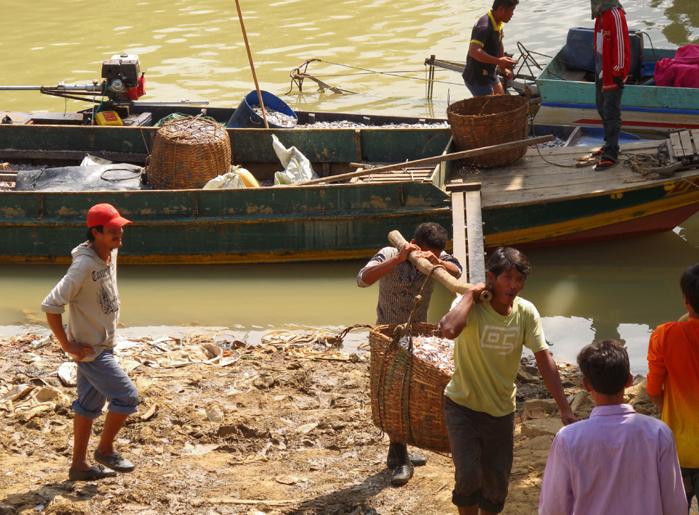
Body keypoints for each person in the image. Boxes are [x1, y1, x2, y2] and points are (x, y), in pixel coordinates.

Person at [439, 247, 575, 514]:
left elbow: (544, 359)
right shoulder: (469, 306)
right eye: (507, 278)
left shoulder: (525, 312)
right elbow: (448, 330)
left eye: (520, 279)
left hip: (501, 410)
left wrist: (564, 407)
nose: (514, 286)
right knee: (468, 476)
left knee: (496, 483)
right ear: (491, 277)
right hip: (461, 406)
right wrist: (468, 295)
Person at [358, 222, 462, 487]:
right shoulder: (389, 253)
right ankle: (399, 457)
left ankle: (399, 451)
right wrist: (401, 259)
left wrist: (435, 261)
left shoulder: (438, 256)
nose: (433, 257)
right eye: (427, 251)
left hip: (418, 336)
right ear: (414, 243)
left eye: (438, 253)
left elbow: (457, 272)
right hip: (389, 336)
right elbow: (363, 279)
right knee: (394, 394)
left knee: (410, 394)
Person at [42, 203, 138, 481]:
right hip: (91, 350)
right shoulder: (83, 265)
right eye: (112, 230)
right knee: (126, 396)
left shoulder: (111, 252)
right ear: (95, 232)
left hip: (104, 343)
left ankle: (78, 467)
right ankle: (105, 450)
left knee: (88, 406)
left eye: (120, 228)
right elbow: (50, 305)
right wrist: (68, 346)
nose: (119, 234)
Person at [539, 340, 687, 514]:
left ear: (586, 385)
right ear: (629, 380)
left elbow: (553, 507)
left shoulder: (568, 439)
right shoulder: (659, 433)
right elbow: (674, 504)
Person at [647, 263, 699, 510]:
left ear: (686, 301)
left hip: (679, 448)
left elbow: (654, 390)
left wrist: (666, 407)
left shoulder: (665, 335)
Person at [591, 0, 630, 171]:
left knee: (611, 112)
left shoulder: (615, 14)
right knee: (601, 107)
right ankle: (609, 144)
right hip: (602, 70)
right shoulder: (600, 15)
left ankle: (611, 153)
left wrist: (617, 72)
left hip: (613, 73)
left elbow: (621, 46)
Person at [462, 0, 518, 97]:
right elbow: (474, 51)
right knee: (492, 109)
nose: (512, 14)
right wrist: (499, 61)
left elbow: (499, 43)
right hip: (477, 77)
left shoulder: (498, 23)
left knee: (501, 100)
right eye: (511, 10)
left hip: (489, 73)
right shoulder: (484, 26)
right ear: (501, 9)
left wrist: (502, 68)